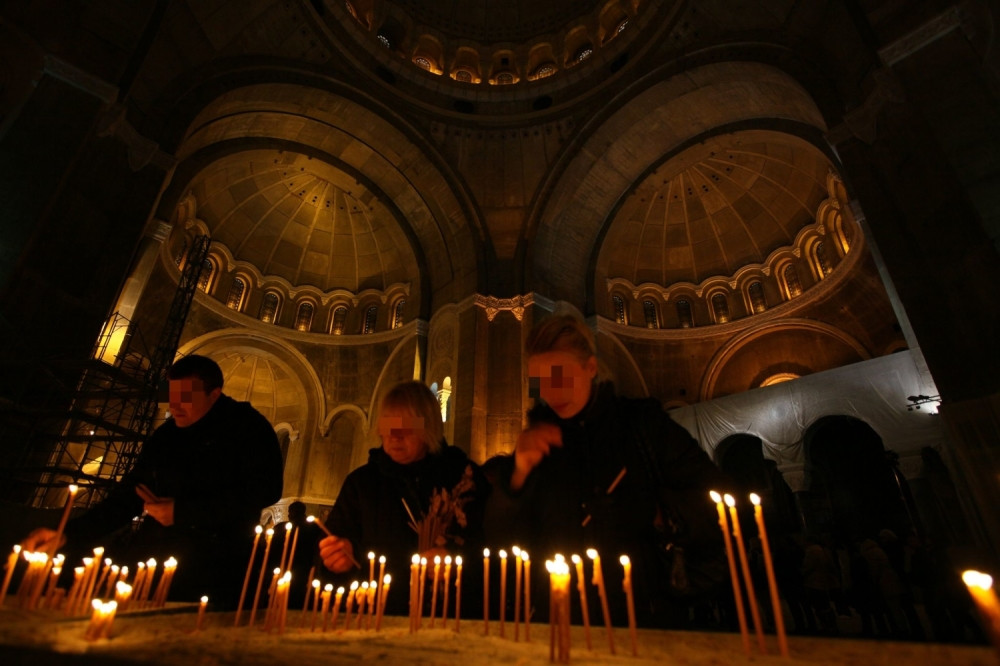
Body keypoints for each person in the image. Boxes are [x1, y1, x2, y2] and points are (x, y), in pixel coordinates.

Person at [484, 313, 731, 628]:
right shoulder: (536, 443)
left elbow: (720, 503)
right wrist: (515, 478)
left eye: (559, 375)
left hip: (645, 619)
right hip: (559, 620)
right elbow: (501, 539)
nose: (551, 391)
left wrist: (654, 513)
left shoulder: (642, 426)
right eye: (540, 381)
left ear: (590, 367)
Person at [22, 354, 284, 607]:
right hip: (154, 562)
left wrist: (182, 512)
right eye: (170, 395)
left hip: (221, 570)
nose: (173, 406)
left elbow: (266, 489)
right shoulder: (167, 436)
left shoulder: (248, 427)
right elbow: (130, 496)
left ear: (214, 395)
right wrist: (67, 533)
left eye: (185, 397)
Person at [318, 380, 488, 615]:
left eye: (407, 427)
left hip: (451, 616)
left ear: (429, 428)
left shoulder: (464, 478)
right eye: (389, 425)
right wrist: (339, 557)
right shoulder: (361, 484)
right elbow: (335, 547)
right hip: (377, 615)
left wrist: (456, 559)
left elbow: (489, 545)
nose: (395, 436)